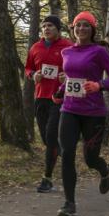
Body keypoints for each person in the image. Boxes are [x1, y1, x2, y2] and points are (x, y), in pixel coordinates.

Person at [52, 11, 109, 216]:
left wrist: (99, 85)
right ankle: (69, 203)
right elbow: (71, 79)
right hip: (69, 110)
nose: (81, 29)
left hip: (94, 112)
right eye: (78, 25)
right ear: (73, 28)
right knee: (67, 153)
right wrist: (61, 90)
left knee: (90, 159)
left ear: (92, 30)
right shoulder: (67, 52)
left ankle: (104, 168)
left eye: (86, 26)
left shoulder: (99, 51)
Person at [25, 15, 72, 193]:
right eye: (43, 26)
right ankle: (59, 150)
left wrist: (67, 76)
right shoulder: (35, 47)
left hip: (59, 97)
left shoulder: (67, 46)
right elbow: (28, 68)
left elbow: (77, 68)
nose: (46, 29)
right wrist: (32, 75)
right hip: (40, 97)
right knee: (47, 138)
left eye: (50, 26)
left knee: (51, 135)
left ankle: (47, 178)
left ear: (58, 29)